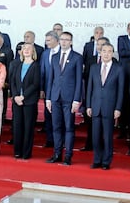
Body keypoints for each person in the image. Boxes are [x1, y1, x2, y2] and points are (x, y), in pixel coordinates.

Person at [46, 31, 83, 165]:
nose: (64, 42)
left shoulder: (77, 58)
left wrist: (76, 100)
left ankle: (68, 155)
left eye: (67, 40)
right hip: (55, 97)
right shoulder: (54, 57)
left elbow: (79, 80)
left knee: (68, 127)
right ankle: (57, 154)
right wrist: (48, 98)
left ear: (71, 42)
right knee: (56, 126)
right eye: (62, 39)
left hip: (69, 98)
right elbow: (51, 78)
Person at [86, 43, 124, 170]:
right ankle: (97, 159)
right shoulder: (94, 68)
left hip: (110, 107)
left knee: (108, 137)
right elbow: (90, 88)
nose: (106, 54)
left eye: (109, 51)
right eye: (104, 51)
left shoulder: (118, 69)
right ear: (100, 52)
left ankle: (106, 161)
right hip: (95, 106)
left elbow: (120, 90)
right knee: (95, 136)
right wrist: (88, 106)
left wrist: (118, 108)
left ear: (113, 53)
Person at [10, 43, 40, 159]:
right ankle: (17, 151)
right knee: (17, 126)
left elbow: (35, 84)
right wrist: (16, 96)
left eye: (29, 49)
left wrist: (23, 97)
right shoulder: (18, 64)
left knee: (28, 127)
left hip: (29, 101)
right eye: (24, 49)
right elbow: (13, 82)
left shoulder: (35, 65)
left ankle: (26, 153)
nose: (26, 50)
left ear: (33, 52)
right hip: (17, 101)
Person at [39, 31, 60, 147]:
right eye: (46, 40)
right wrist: (42, 88)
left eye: (49, 40)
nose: (46, 43)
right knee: (48, 114)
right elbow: (42, 71)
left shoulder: (63, 52)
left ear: (56, 40)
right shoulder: (45, 53)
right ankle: (50, 139)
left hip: (60, 90)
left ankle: (59, 141)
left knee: (58, 116)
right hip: (47, 89)